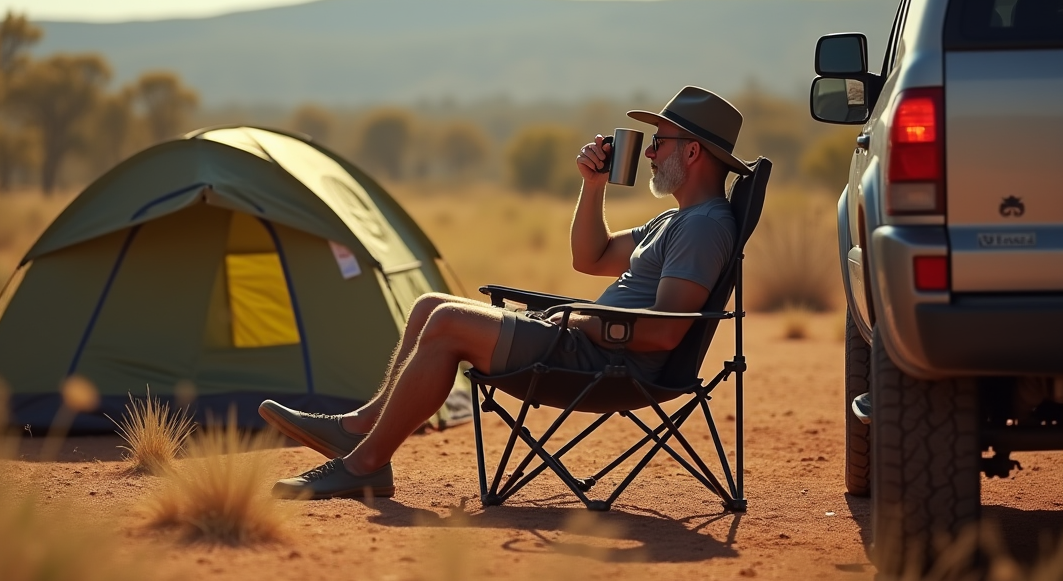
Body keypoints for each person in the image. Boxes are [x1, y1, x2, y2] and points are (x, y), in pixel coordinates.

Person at [262, 86, 752, 499]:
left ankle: (365, 465)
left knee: (448, 324)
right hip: (589, 345)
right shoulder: (675, 220)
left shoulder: (703, 227)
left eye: (659, 143)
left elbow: (665, 334)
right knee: (430, 305)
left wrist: (579, 321)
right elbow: (592, 257)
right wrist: (593, 185)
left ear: (692, 153)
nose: (649, 153)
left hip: (607, 361)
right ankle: (359, 427)